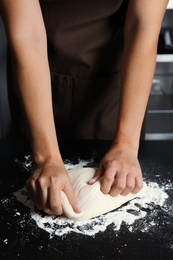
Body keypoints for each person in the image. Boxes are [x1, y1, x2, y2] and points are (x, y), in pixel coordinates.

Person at [0, 0, 169, 215]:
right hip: (38, 80)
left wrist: (126, 144)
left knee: (118, 178)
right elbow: (27, 34)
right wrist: (46, 158)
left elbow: (142, 27)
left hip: (114, 89)